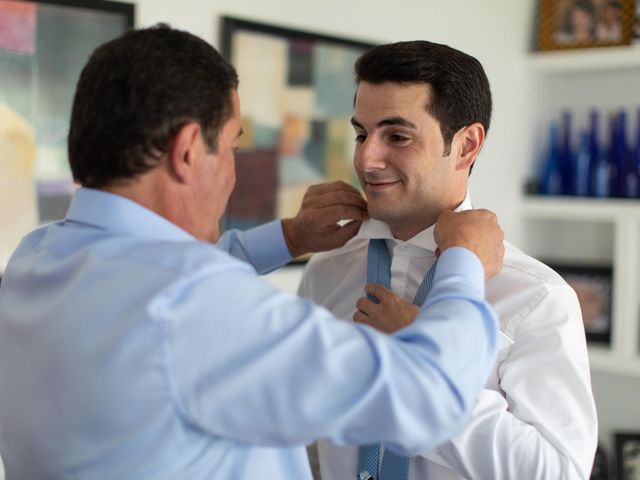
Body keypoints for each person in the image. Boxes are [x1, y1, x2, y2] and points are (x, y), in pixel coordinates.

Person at [0, 26, 506, 480]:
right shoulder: (194, 303)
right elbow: (428, 401)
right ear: (189, 150)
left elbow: (148, 278)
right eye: (233, 147)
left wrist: (289, 238)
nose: (367, 156)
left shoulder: (38, 258)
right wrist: (463, 264)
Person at [299, 40, 598, 479]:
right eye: (362, 133)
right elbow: (306, 440)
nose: (366, 158)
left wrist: (428, 366)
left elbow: (557, 472)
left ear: (466, 145)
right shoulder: (326, 271)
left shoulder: (535, 297)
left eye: (397, 136)